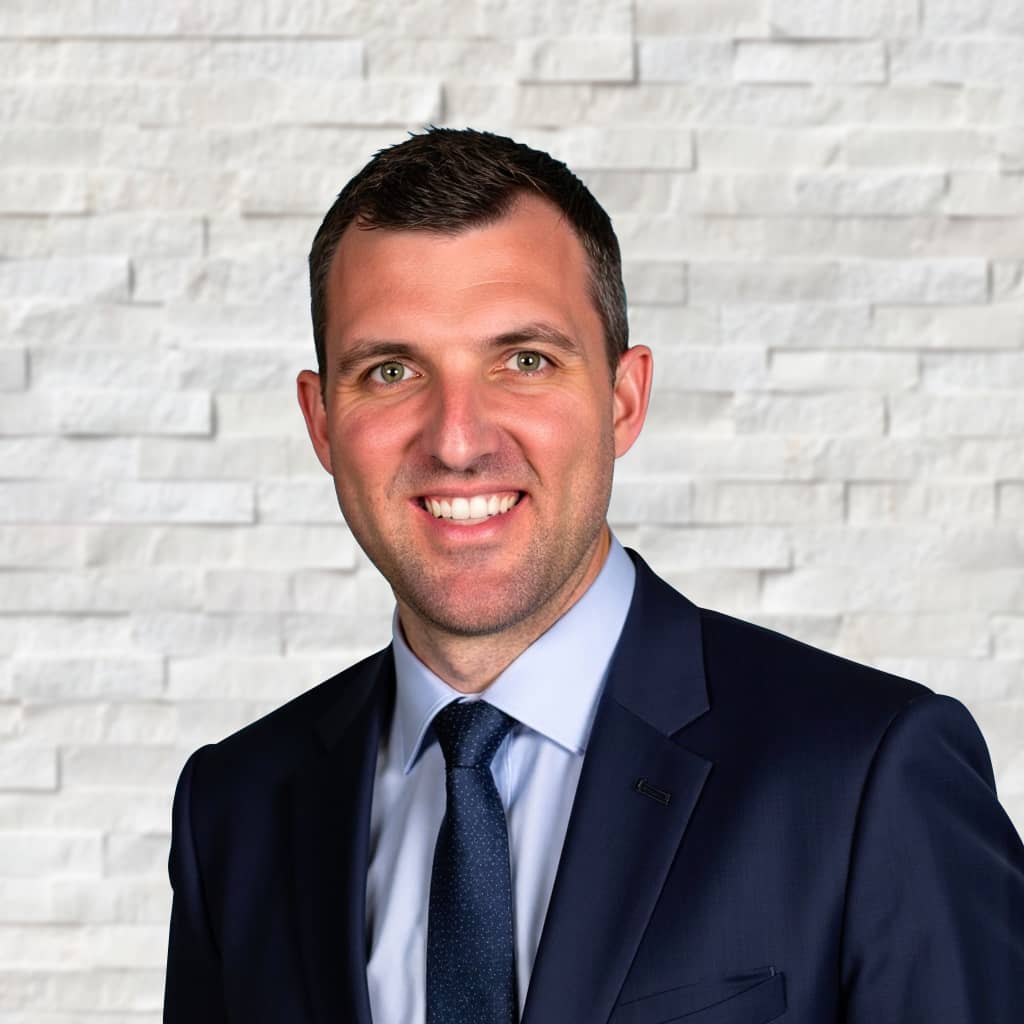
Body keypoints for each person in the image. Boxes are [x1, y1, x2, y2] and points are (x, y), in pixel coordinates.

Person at [163, 127, 1024, 1024]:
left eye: (524, 361)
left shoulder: (867, 777)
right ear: (321, 422)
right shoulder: (236, 811)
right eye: (391, 370)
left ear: (623, 399)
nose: (457, 440)